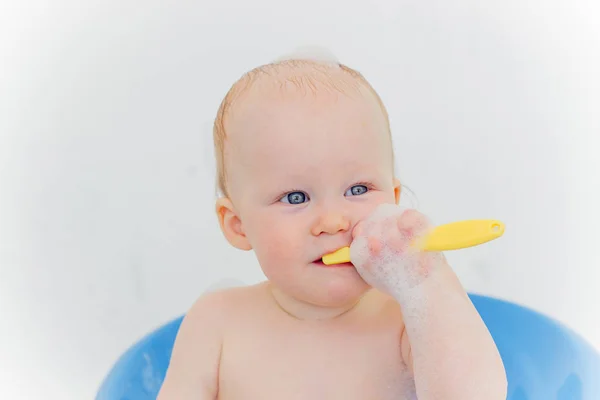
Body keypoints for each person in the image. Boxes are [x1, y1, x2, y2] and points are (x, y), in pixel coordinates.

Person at [157, 50, 507, 399]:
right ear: (238, 226)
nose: (334, 220)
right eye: (296, 197)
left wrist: (428, 280)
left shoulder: (405, 319)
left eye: (358, 189)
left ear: (394, 200)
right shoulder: (217, 322)